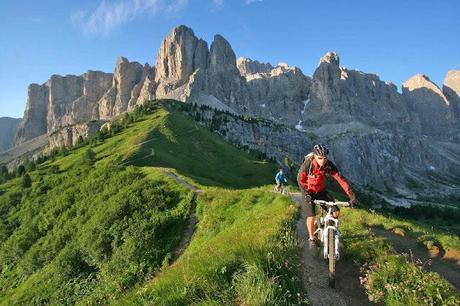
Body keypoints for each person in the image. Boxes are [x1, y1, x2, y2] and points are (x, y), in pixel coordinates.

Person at [297, 144, 357, 244]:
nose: (322, 161)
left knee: (335, 212)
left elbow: (340, 179)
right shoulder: (308, 165)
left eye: (324, 158)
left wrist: (351, 195)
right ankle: (311, 238)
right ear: (314, 156)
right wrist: (306, 193)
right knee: (311, 215)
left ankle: (329, 230)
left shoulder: (328, 165)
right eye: (319, 158)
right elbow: (300, 180)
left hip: (320, 191)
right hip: (308, 192)